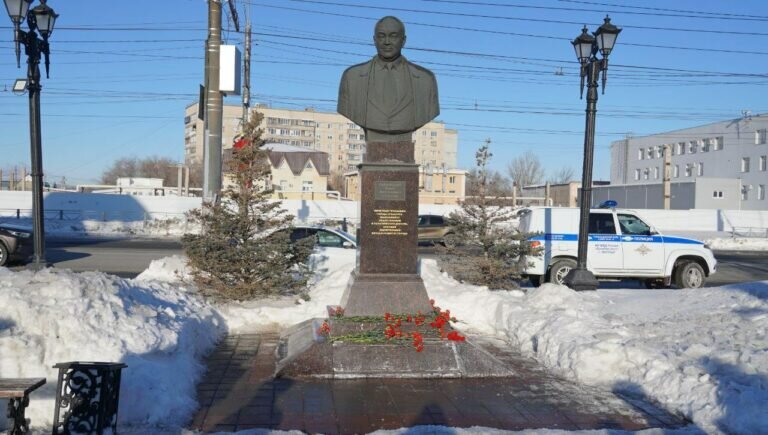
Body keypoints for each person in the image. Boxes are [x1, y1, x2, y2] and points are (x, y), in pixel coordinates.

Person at [338, 16, 439, 140]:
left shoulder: (426, 80)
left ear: (403, 40)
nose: (387, 42)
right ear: (374, 40)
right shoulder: (351, 77)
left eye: (393, 36)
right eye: (381, 36)